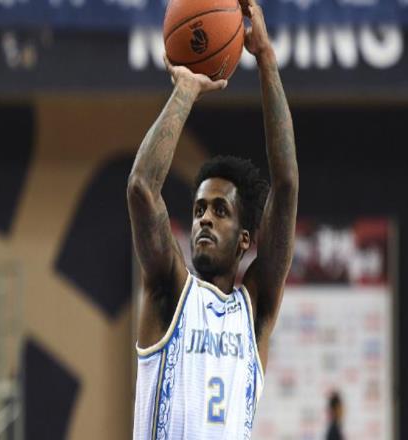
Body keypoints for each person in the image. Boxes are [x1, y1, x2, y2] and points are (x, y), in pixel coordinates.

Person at [128, 0, 298, 437]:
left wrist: (266, 59)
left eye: (220, 210)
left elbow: (286, 186)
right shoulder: (170, 291)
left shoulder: (255, 311)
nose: (204, 218)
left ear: (245, 238)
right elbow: (142, 189)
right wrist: (185, 89)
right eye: (199, 209)